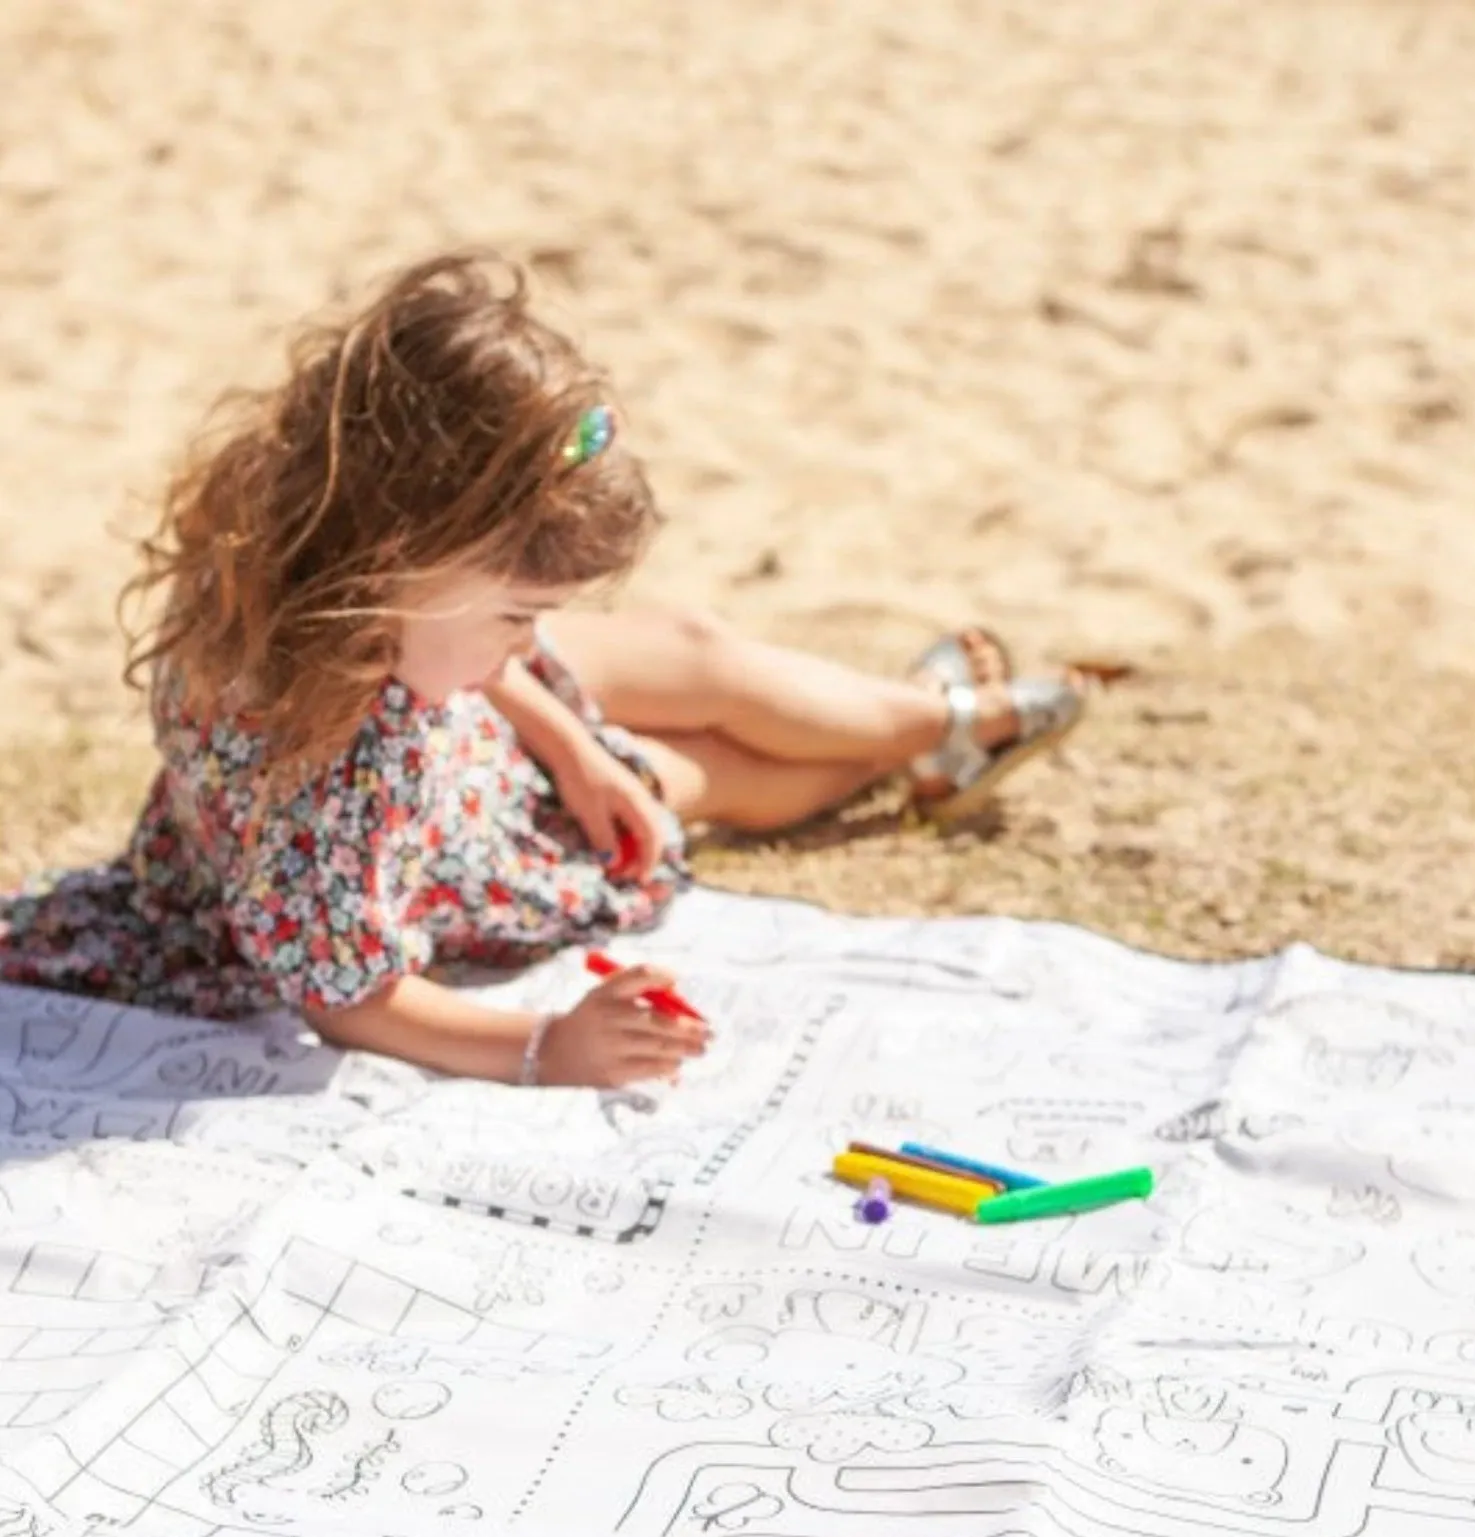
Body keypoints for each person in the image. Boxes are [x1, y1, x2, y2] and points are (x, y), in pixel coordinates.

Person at [0, 252, 1101, 1091]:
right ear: (400, 556)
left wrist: (565, 738)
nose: (532, 636)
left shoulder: (306, 558)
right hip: (449, 843)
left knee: (695, 651)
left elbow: (468, 655)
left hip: (460, 724)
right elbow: (355, 1000)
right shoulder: (331, 783)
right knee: (692, 779)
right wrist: (544, 1046)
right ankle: (926, 746)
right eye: (522, 609)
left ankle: (937, 715)